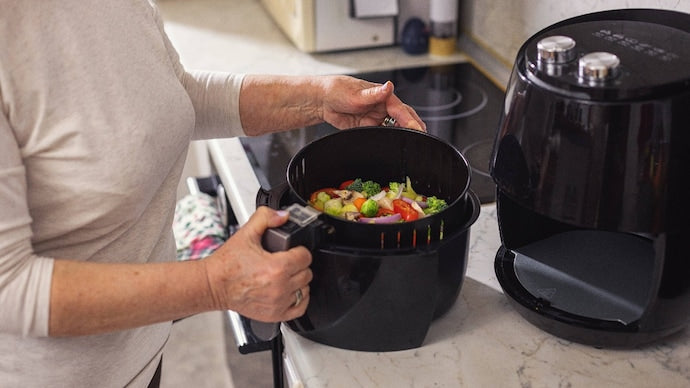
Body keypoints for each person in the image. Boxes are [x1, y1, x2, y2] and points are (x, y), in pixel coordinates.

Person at [0, 1, 426, 387]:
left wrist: (317, 99)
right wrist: (214, 283)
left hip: (141, 358)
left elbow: (173, 95)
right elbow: (9, 287)